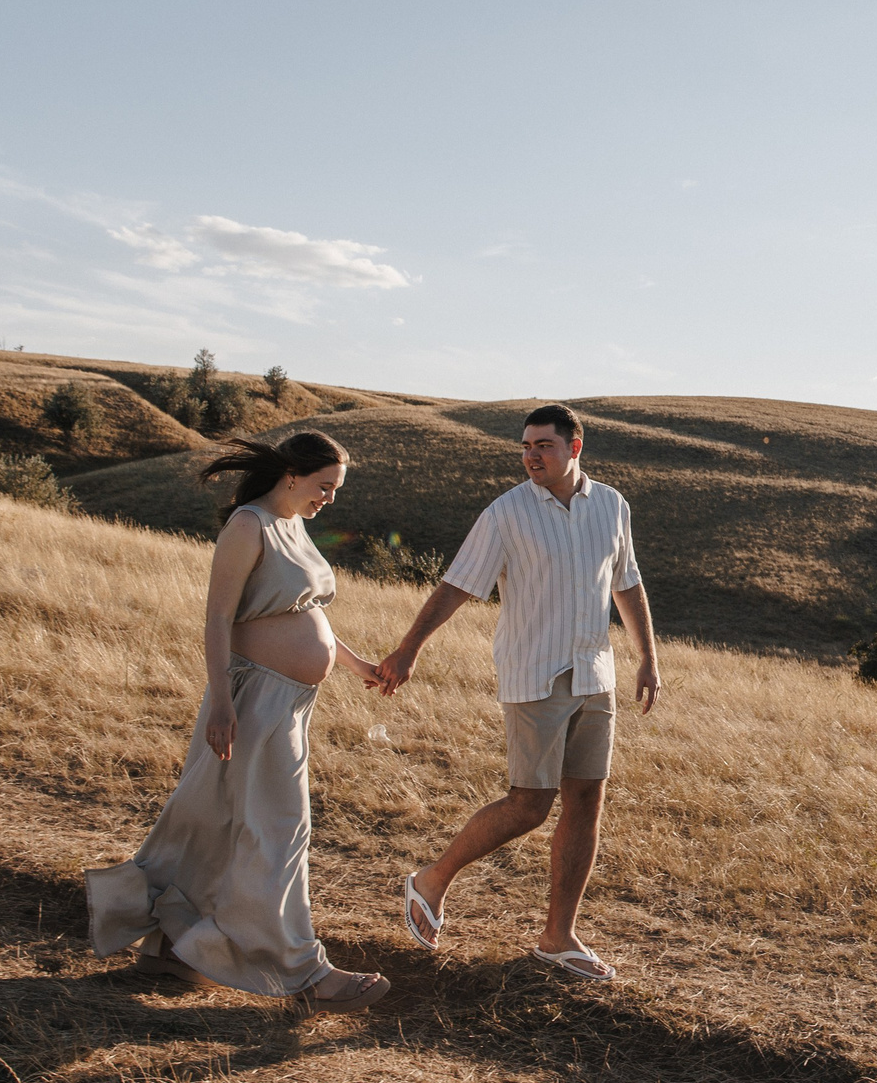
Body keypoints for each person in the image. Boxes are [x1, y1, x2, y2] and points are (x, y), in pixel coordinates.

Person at [86, 430, 392, 1015]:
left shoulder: (294, 523)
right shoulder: (248, 525)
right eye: (325, 486)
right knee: (279, 830)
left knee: (217, 822)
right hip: (252, 701)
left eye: (336, 489)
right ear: (293, 474)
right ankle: (306, 973)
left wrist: (359, 667)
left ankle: (169, 951)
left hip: (290, 703)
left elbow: (308, 612)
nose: (330, 498)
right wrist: (222, 701)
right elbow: (217, 619)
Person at [372, 404, 660, 981]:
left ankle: (558, 938)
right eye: (526, 446)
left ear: (575, 448)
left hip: (594, 674)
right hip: (535, 673)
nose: (532, 455)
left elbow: (626, 582)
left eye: (544, 446)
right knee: (530, 803)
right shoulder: (506, 513)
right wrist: (409, 649)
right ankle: (431, 879)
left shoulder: (611, 505)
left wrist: (647, 656)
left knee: (586, 801)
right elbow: (459, 584)